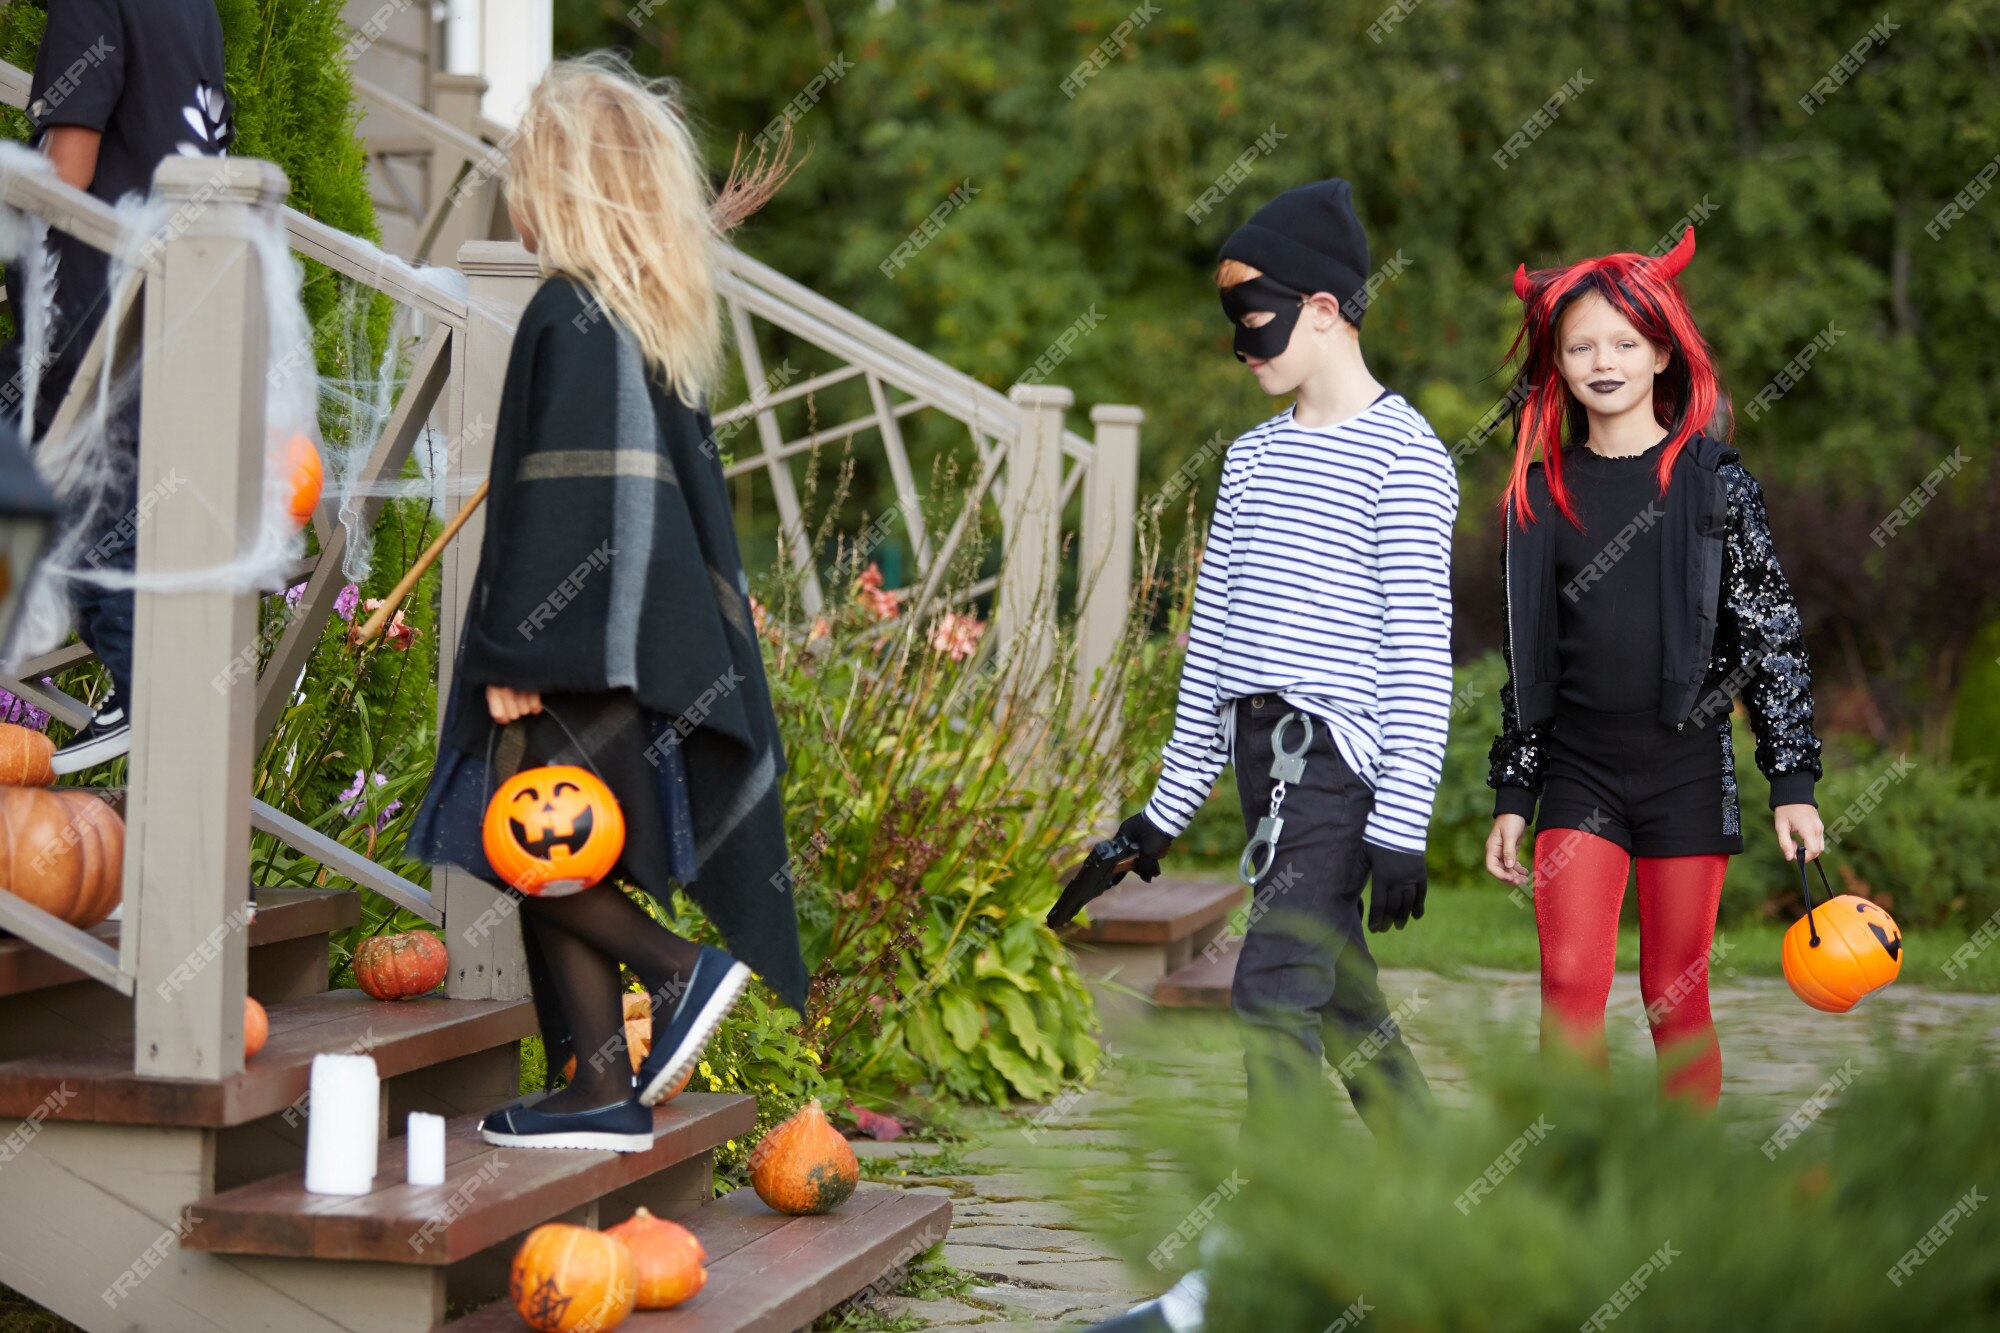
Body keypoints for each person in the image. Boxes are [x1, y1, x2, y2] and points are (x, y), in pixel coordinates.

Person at [407, 55, 807, 1152]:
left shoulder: (569, 314)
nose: (512, 197)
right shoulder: (639, 312)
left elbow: (564, 507)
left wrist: (515, 649)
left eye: (523, 174)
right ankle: (593, 1085)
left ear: (565, 184)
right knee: (554, 848)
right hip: (636, 647)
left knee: (528, 839)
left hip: (580, 645)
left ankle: (679, 973)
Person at [1093, 179, 1456, 1332]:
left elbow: (1416, 655)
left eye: (1252, 313)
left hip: (1336, 767)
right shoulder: (1248, 462)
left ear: (1326, 309)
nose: (1235, 340)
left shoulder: (1405, 457)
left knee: (1270, 993)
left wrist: (1399, 821)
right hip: (1264, 766)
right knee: (1339, 1000)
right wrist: (1157, 816)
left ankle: (1251, 1276)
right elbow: (1212, 656)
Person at [1482, 228, 1825, 1109]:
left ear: (1662, 351)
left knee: (1675, 994)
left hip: (1684, 769)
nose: (1604, 360)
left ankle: (1681, 1195)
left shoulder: (1713, 482)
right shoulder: (1541, 492)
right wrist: (1515, 796)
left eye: (1625, 343)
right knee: (1567, 985)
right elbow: (1529, 665)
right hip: (1577, 772)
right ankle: (1587, 1190)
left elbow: (1770, 632)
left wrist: (1792, 779)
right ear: (1557, 362)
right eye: (1582, 344)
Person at [0, 0, 235, 773]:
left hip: (91, 312)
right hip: (169, 306)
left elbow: (66, 172)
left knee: (72, 509)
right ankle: (146, 690)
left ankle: (146, 690)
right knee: (113, 507)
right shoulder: (192, 11)